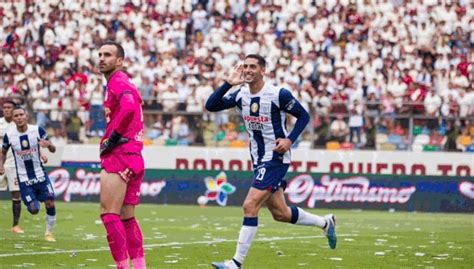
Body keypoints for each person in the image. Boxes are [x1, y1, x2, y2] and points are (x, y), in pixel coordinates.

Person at [206, 54, 337, 269]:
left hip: (276, 157)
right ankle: (325, 223)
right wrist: (228, 83)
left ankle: (235, 263)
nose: (247, 70)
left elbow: (304, 116)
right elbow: (211, 106)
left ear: (262, 71)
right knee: (280, 214)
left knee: (250, 205)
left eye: (252, 67)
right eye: (245, 66)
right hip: (258, 158)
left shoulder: (278, 94)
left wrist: (290, 140)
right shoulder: (240, 94)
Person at [98, 41, 146, 269]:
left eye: (107, 55)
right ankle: (139, 266)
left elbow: (128, 106)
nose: (101, 58)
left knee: (109, 214)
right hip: (134, 155)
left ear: (119, 61)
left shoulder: (117, 81)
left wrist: (112, 137)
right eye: (100, 54)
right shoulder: (125, 82)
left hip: (120, 154)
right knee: (127, 217)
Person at [0, 106, 57, 241]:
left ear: (26, 116)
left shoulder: (37, 130)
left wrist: (48, 145)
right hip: (24, 179)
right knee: (34, 210)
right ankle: (32, 198)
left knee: (50, 202)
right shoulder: (10, 135)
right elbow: (3, 152)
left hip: (40, 175)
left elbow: (53, 149)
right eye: (16, 116)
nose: (19, 118)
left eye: (21, 115)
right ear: (13, 119)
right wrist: (1, 165)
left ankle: (49, 233)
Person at [0, 100, 23, 234]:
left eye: (9, 107)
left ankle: (15, 225)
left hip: (14, 164)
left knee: (16, 193)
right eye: (5, 107)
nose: (6, 110)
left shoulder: (19, 125)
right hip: (0, 161)